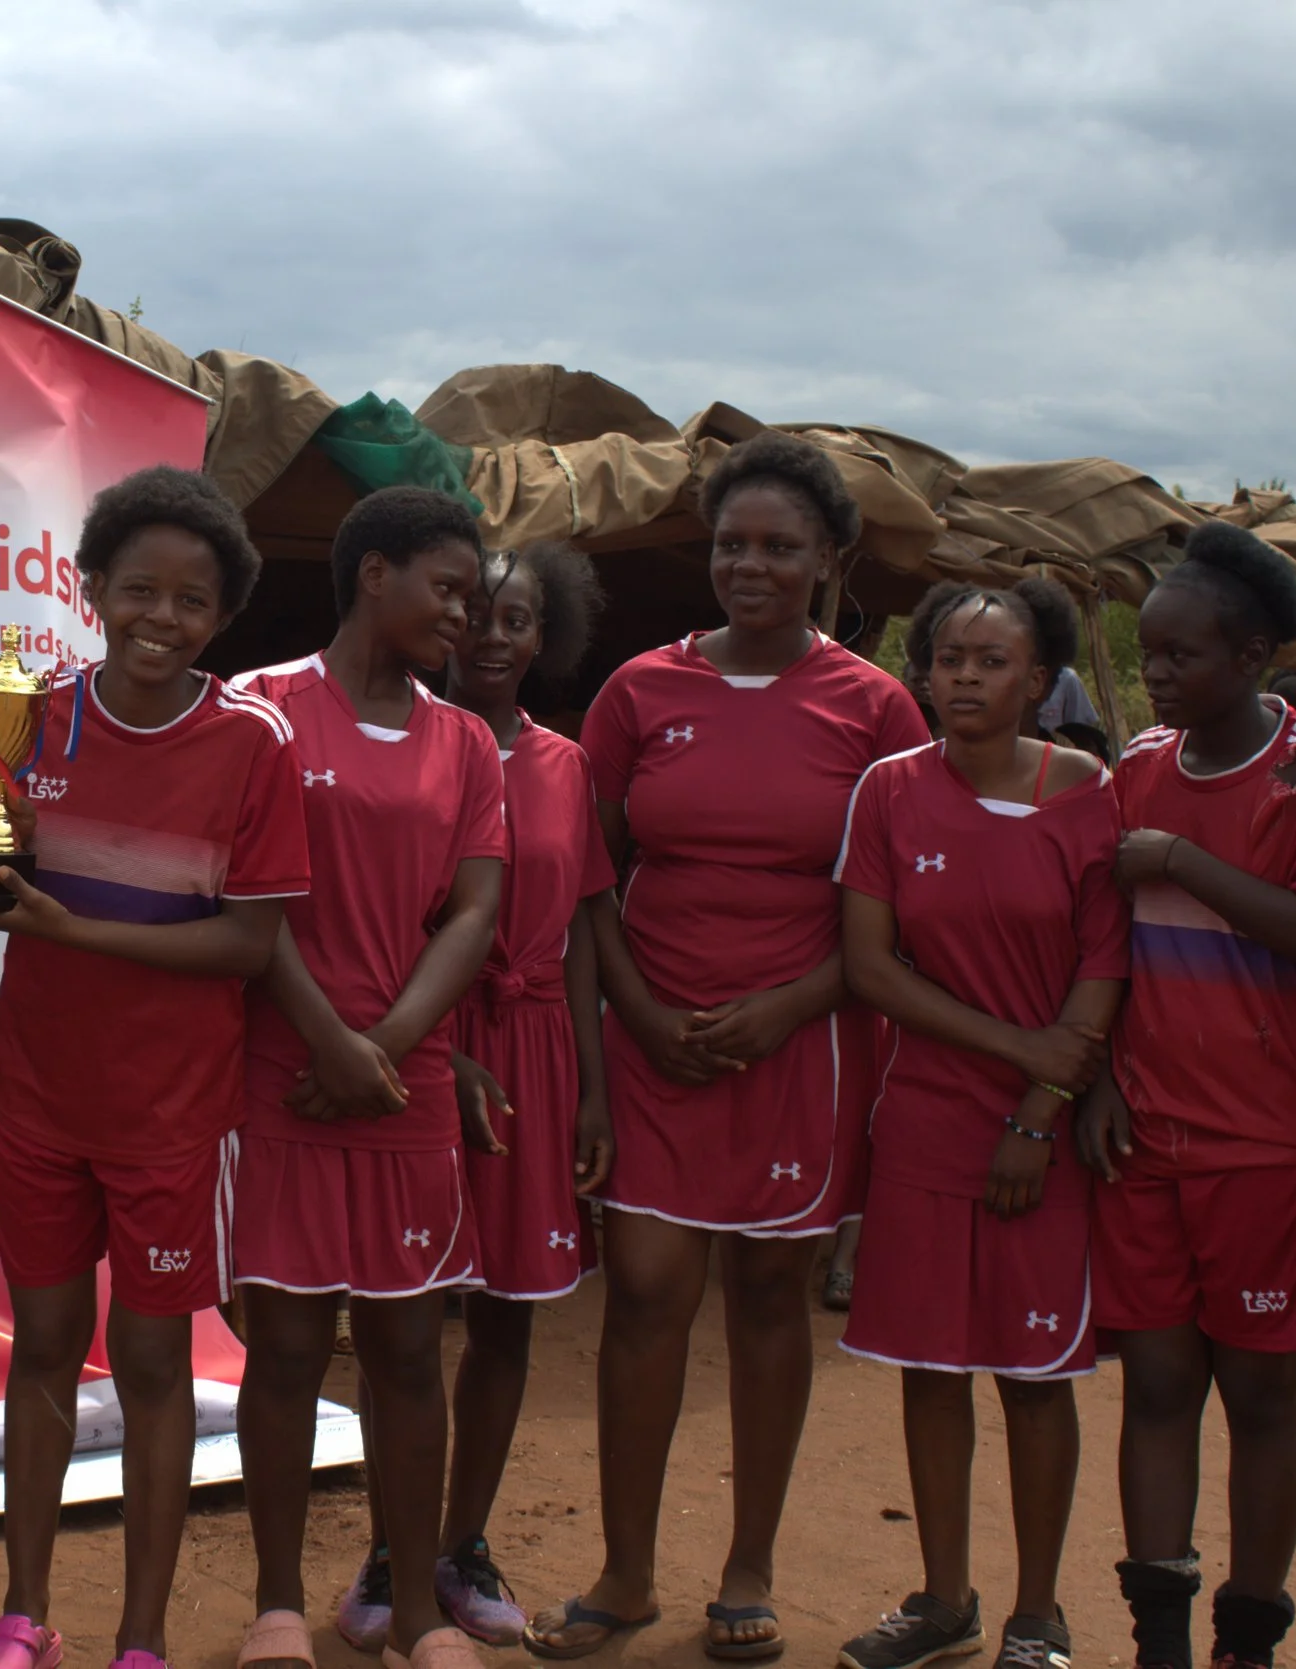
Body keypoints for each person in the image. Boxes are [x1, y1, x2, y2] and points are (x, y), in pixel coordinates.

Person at [539, 433, 930, 1662]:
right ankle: (624, 1568)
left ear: (829, 558)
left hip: (802, 1043)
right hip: (654, 1032)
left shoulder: (874, 707)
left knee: (768, 1295)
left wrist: (793, 1004)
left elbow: (904, 906)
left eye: (777, 547)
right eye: (729, 545)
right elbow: (588, 877)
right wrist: (639, 1016)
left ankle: (747, 1565)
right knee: (646, 1294)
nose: (748, 566)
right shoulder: (639, 691)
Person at [0, 466, 308, 1669]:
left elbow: (250, 943)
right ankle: (22, 1612)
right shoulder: (25, 712)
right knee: (41, 1343)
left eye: (190, 600)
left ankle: (139, 1639)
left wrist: (64, 927)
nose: (160, 617)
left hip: (170, 1113)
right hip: (37, 1093)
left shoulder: (252, 743)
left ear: (222, 616)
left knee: (152, 1360)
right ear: (89, 589)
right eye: (136, 588)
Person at [1077, 523, 1296, 1669]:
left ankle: (1246, 1634)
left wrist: (1184, 863)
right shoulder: (1140, 766)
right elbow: (1102, 939)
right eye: (1146, 656)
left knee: (1257, 1389)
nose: (1154, 678)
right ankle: (1155, 1635)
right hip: (1144, 1134)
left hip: (1267, 1139)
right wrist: (1099, 1074)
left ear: (1249, 655)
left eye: (1177, 658)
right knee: (1154, 1380)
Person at [226, 485, 505, 1669]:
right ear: (372, 574)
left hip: (401, 1091)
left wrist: (378, 1048)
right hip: (278, 1079)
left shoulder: (466, 740)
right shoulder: (261, 711)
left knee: (404, 1354)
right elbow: (234, 890)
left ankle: (416, 1613)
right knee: (283, 1349)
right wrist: (325, 1041)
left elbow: (475, 910)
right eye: (446, 588)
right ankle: (278, 1604)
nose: (466, 616)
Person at [831, 578, 1127, 1669]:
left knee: (1037, 1374)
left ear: (1037, 682)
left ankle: (1037, 1615)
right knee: (931, 1365)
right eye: (947, 656)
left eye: (990, 660)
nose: (962, 675)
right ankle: (943, 1598)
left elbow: (1103, 967)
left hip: (1036, 1140)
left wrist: (1040, 1114)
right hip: (922, 1123)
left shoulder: (1088, 795)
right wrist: (1019, 1053)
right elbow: (869, 966)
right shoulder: (888, 791)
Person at [338, 540, 607, 1651]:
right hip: (421, 1040)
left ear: (545, 638)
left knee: (503, 1315)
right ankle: (392, 1551)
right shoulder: (407, 745)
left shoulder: (567, 763)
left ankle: (463, 1541)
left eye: (516, 619)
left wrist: (591, 1089)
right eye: (477, 612)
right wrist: (435, 1051)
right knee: (399, 1318)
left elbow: (587, 925)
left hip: (535, 1052)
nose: (491, 634)